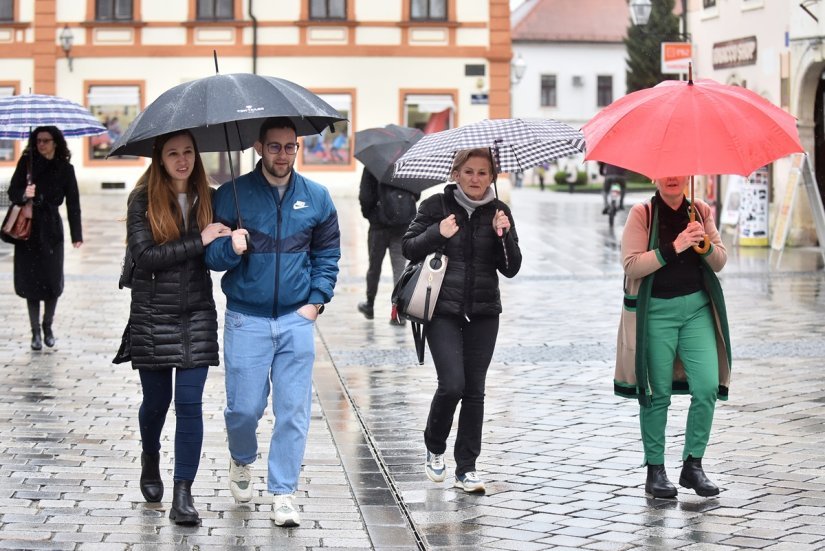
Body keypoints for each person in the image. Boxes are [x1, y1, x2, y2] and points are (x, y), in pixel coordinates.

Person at [205, 117, 341, 527]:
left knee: (293, 411)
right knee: (244, 409)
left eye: (289, 147)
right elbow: (210, 259)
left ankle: (283, 492)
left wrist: (316, 302)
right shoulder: (230, 196)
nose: (282, 154)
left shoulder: (317, 197)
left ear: (296, 149)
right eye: (275, 146)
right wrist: (232, 247)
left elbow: (328, 254)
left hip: (296, 319)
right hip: (246, 318)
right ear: (259, 147)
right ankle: (242, 458)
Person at [402, 148, 522, 494]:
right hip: (441, 309)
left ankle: (466, 467)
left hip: (484, 312)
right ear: (456, 173)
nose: (475, 179)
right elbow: (408, 247)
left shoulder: (500, 211)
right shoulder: (434, 206)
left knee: (475, 390)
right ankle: (434, 444)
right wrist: (438, 233)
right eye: (468, 171)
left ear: (492, 177)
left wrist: (505, 235)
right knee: (452, 384)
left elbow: (511, 268)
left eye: (483, 173)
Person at [126, 130, 230, 525]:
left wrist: (231, 241)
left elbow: (216, 254)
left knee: (189, 404)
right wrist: (199, 239)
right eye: (173, 153)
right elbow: (146, 256)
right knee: (156, 404)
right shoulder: (142, 200)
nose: (182, 160)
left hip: (197, 313)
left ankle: (183, 493)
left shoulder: (212, 197)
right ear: (160, 158)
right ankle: (149, 456)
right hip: (152, 314)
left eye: (188, 152)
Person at [615, 175, 731, 499]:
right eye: (665, 170)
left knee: (708, 385)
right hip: (656, 313)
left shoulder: (701, 211)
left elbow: (720, 261)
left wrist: (703, 244)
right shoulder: (643, 213)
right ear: (654, 175)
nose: (672, 177)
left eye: (680, 169)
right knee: (657, 392)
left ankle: (693, 465)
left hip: (696, 310)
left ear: (689, 175)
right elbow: (631, 264)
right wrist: (674, 247)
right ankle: (655, 471)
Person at [7, 126, 82, 351]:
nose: (41, 145)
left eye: (46, 141)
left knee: (51, 281)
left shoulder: (65, 169)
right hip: (28, 231)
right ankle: (35, 333)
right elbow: (12, 191)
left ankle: (47, 325)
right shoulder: (26, 164)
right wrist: (24, 194)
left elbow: (73, 203)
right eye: (38, 140)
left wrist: (76, 235)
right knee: (31, 283)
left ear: (56, 142)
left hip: (51, 230)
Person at [357, 167, 419, 325]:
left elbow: (365, 195)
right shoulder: (409, 160)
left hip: (379, 225)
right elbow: (416, 193)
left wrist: (371, 215)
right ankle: (398, 313)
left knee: (374, 266)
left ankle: (369, 305)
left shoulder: (374, 163)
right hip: (403, 224)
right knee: (399, 268)